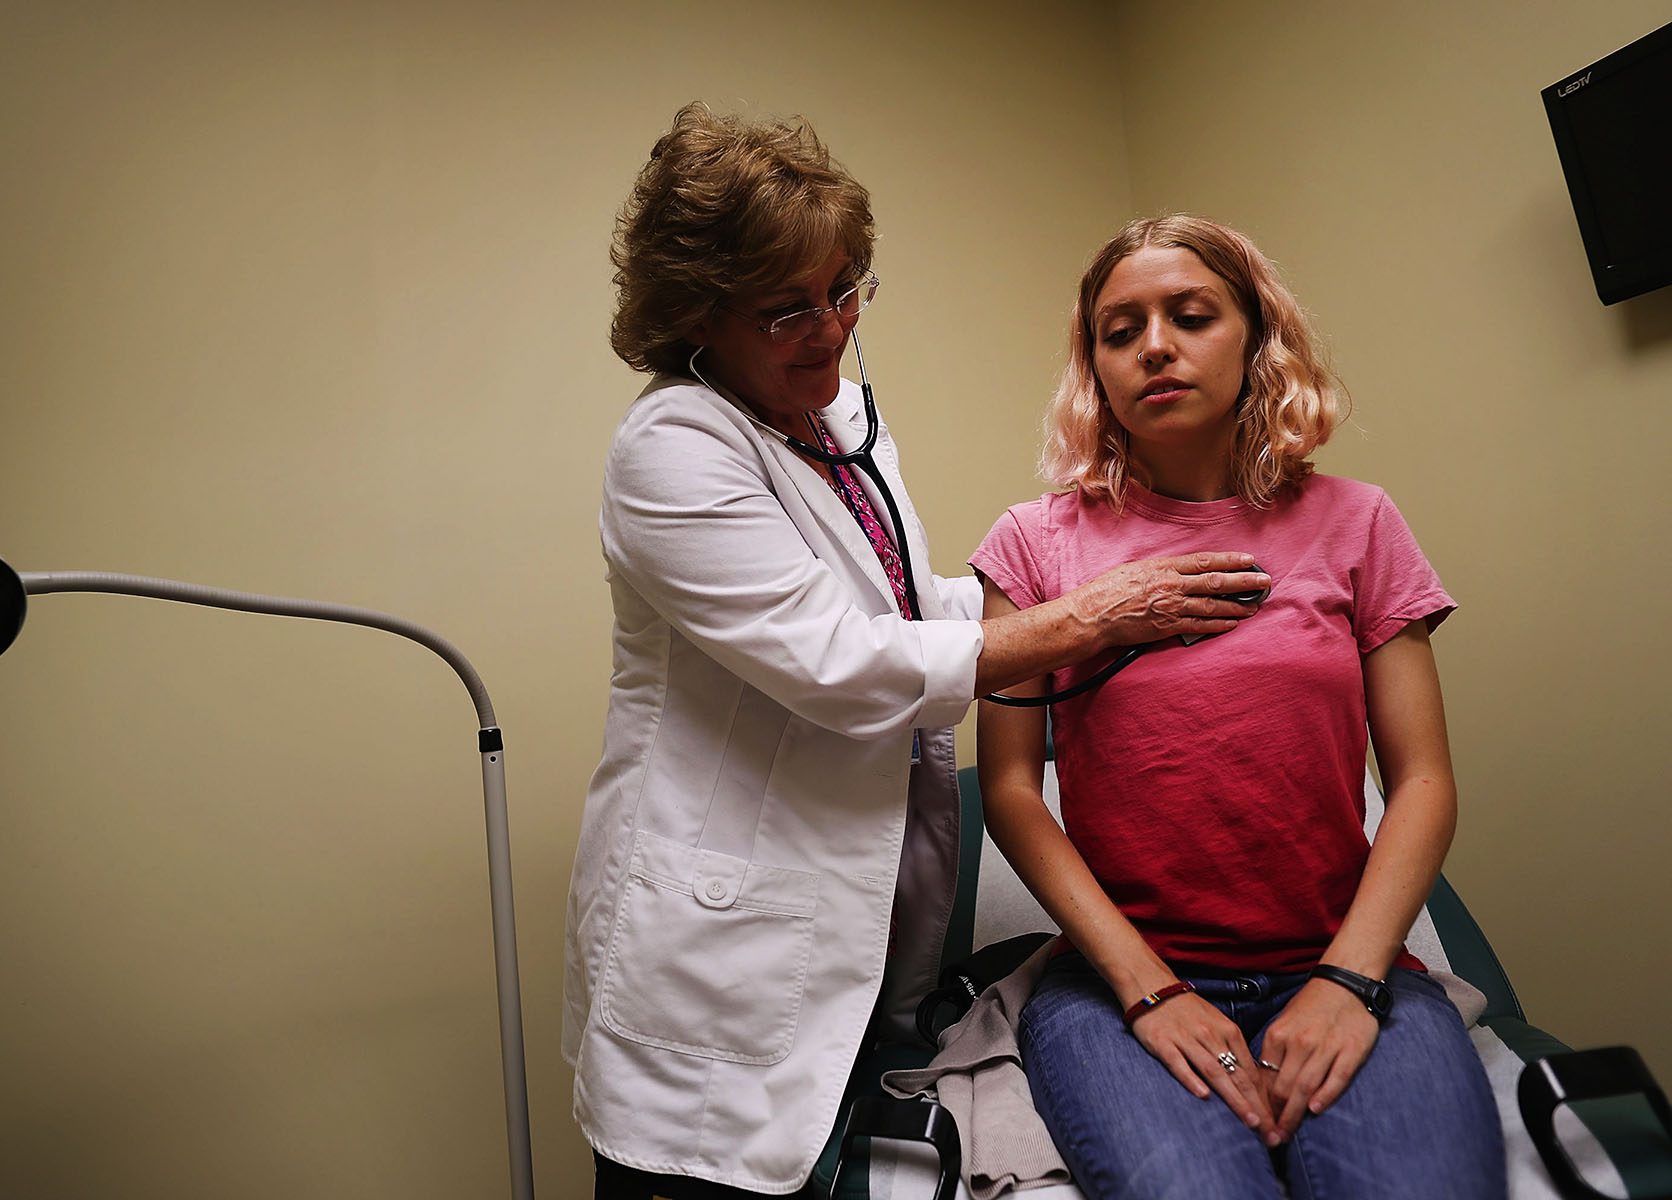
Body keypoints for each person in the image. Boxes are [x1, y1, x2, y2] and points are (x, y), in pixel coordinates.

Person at [561, 109, 1271, 1198]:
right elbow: (844, 662)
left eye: (848, 289)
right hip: (720, 960)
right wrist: (1090, 614)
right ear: (699, 313)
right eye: (787, 308)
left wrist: (1051, 581)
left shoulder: (835, 422)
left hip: (860, 932)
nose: (830, 328)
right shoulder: (676, 447)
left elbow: (901, 603)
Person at [971, 214, 1506, 1198]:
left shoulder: (1360, 523)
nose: (1155, 346)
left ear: (1258, 338)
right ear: (1094, 366)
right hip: (1117, 989)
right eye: (1119, 330)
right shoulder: (1031, 544)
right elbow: (1009, 790)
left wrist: (1349, 983)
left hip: (1341, 967)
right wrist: (1149, 990)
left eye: (1190, 315)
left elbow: (1423, 778)